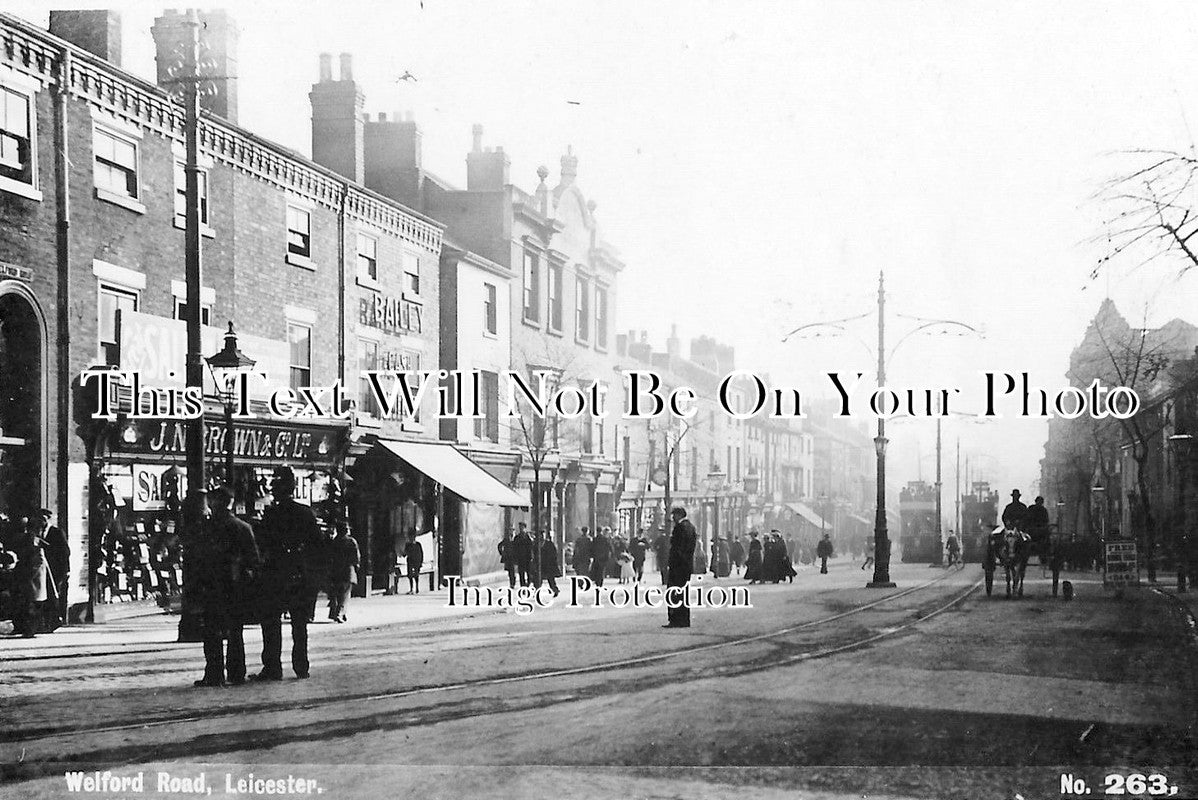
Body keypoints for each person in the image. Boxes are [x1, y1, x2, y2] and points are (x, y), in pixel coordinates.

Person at [253, 467, 321, 681]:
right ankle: (301, 666)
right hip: (300, 574)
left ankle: (273, 667)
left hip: (276, 573)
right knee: (299, 626)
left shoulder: (272, 514)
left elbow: (262, 544)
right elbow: (317, 545)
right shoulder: (305, 513)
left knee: (271, 623)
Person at [195, 487, 260, 687]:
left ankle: (214, 674)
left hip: (213, 585)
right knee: (235, 631)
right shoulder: (243, 527)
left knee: (212, 631)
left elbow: (199, 557)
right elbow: (253, 561)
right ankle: (236, 672)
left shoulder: (207, 528)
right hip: (235, 586)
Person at [12, 515, 49, 638]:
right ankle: (27, 629)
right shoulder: (31, 540)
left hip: (33, 579)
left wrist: (29, 574)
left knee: (32, 606)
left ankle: (30, 630)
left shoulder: (33, 542)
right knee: (29, 605)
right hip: (31, 578)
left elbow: (37, 560)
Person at [664, 507, 697, 628]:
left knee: (674, 592)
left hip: (678, 566)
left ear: (679, 515)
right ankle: (684, 619)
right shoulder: (691, 527)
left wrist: (672, 562)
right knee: (683, 593)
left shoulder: (679, 528)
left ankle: (676, 620)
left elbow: (677, 548)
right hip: (686, 566)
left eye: (674, 515)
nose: (672, 518)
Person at [41, 510, 69, 626]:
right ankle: (47, 621)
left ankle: (57, 619)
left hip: (56, 569)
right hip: (43, 570)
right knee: (47, 595)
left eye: (43, 519)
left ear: (48, 519)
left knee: (56, 594)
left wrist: (66, 570)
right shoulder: (37, 532)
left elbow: (65, 551)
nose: (41, 521)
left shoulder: (57, 532)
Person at [327, 522, 359, 622]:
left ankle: (338, 613)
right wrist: (356, 566)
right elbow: (356, 557)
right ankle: (340, 613)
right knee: (345, 594)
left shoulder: (334, 542)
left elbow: (329, 556)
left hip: (336, 570)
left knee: (336, 593)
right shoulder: (351, 541)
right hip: (347, 571)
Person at [538, 531, 561, 596]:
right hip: (541, 564)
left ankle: (555, 590)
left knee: (551, 579)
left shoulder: (549, 544)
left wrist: (553, 561)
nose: (542, 537)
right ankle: (537, 591)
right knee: (538, 579)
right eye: (541, 535)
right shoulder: (537, 544)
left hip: (548, 564)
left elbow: (554, 553)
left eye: (543, 535)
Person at [512, 523, 534, 587]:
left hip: (527, 558)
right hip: (520, 558)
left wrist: (531, 556)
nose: (521, 529)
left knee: (528, 572)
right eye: (520, 527)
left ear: (525, 528)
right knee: (521, 573)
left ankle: (528, 583)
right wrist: (515, 558)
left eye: (522, 527)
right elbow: (515, 548)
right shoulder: (517, 537)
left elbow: (531, 546)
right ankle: (523, 586)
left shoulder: (528, 537)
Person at [983, 531, 999, 597]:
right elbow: (993, 554)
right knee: (990, 578)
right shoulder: (992, 545)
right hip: (990, 563)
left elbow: (984, 555)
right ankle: (989, 591)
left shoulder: (986, 545)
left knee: (987, 578)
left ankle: (988, 591)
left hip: (987, 563)